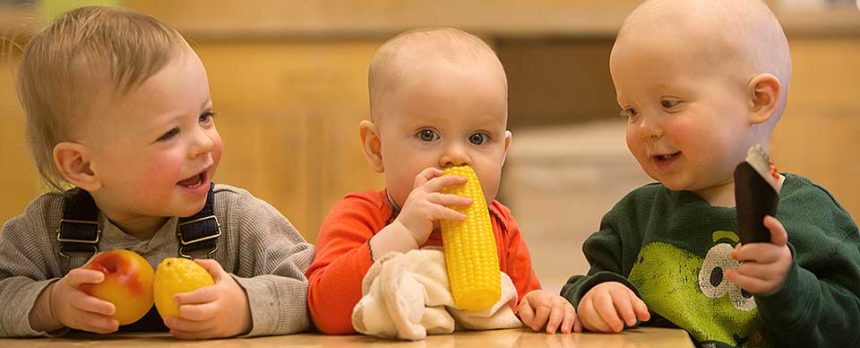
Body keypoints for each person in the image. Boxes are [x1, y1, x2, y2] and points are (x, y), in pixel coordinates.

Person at [0, 6, 313, 339]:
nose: (203, 144)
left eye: (205, 116)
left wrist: (245, 307)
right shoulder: (45, 232)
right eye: (169, 134)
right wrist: (49, 304)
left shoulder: (239, 220)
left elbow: (311, 290)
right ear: (83, 166)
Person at [560, 0, 860, 346]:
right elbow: (579, 288)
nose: (645, 128)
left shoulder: (813, 216)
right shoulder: (634, 217)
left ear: (759, 101)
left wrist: (789, 285)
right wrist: (596, 294)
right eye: (630, 111)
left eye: (669, 103)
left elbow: (849, 324)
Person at [306, 27, 577, 335]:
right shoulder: (360, 216)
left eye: (478, 138)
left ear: (503, 153)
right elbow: (324, 312)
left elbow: (519, 307)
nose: (456, 156)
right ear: (376, 148)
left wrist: (542, 306)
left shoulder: (501, 228)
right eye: (427, 135)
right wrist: (404, 231)